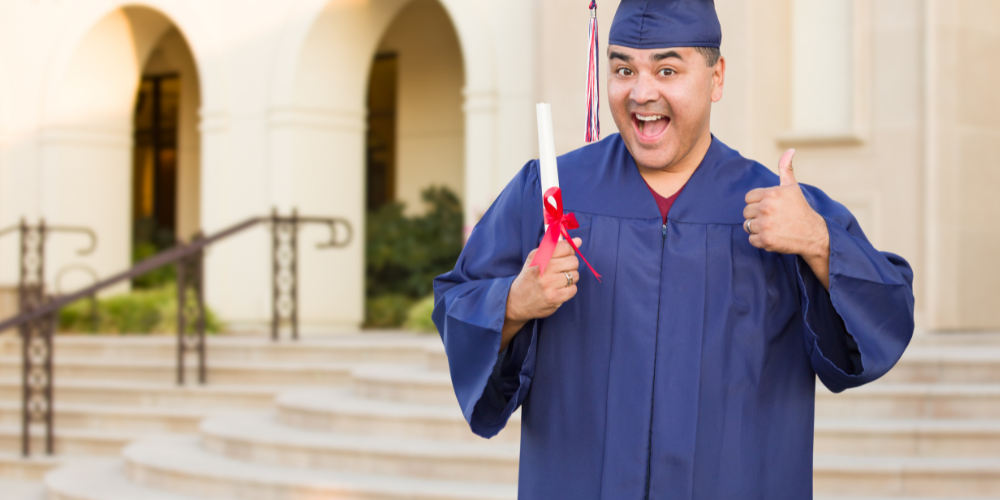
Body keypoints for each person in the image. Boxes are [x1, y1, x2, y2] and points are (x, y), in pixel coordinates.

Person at [432, 1, 915, 498]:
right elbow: (457, 302)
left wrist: (820, 242)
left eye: (667, 69)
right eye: (623, 69)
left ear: (716, 77)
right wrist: (515, 302)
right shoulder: (550, 193)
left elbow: (888, 318)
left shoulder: (779, 207)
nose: (642, 92)